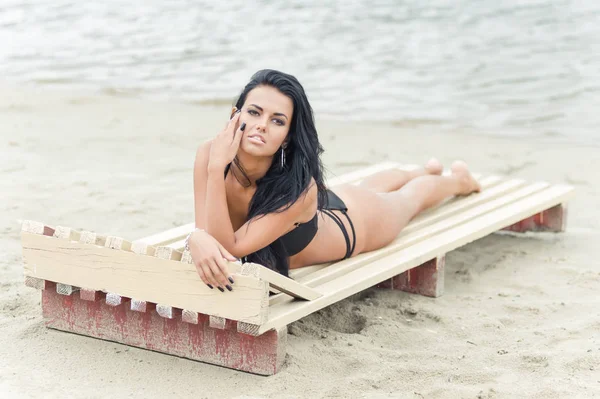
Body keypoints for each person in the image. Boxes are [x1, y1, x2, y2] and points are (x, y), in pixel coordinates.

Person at [187, 69, 481, 292]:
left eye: (277, 120)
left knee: (406, 199)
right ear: (234, 116)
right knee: (369, 187)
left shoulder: (297, 190)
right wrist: (196, 235)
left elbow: (229, 247)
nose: (262, 126)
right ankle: (418, 170)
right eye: (254, 112)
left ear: (288, 136)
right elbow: (206, 231)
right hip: (324, 207)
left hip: (354, 226)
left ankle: (459, 180)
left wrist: (215, 171)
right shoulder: (208, 154)